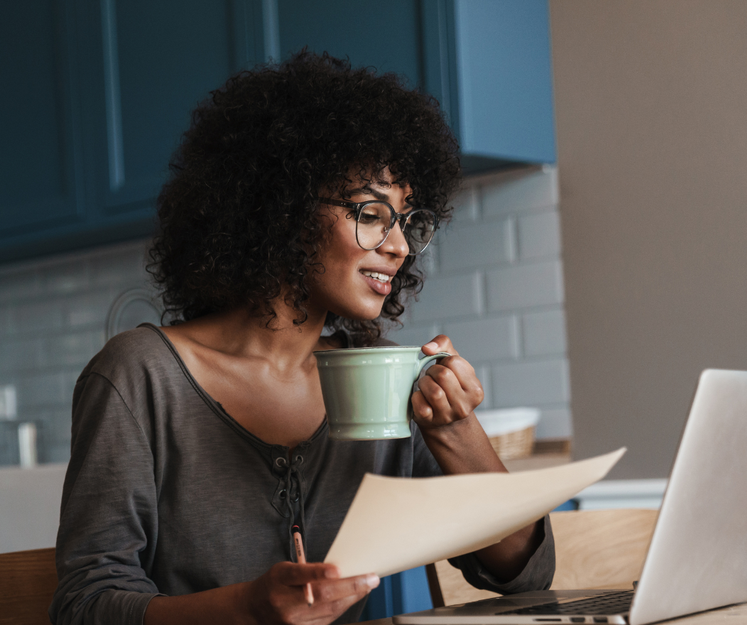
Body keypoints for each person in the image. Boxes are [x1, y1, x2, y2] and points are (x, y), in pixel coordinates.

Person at [49, 51, 555, 625]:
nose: (400, 247)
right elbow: (86, 606)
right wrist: (247, 609)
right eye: (370, 213)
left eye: (407, 221)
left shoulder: (388, 378)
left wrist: (456, 429)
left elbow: (525, 573)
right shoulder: (141, 376)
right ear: (281, 208)